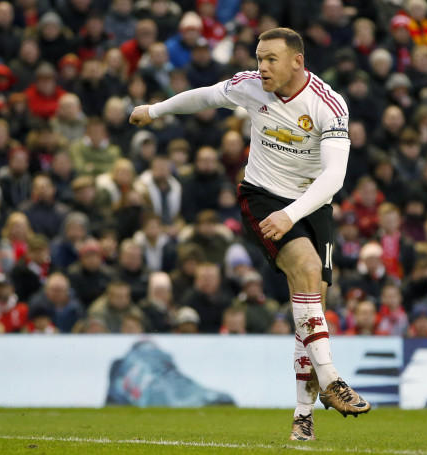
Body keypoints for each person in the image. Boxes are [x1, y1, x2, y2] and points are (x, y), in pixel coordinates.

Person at [130, 28, 371, 436]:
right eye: (259, 58)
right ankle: (332, 381)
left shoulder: (329, 104)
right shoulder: (250, 87)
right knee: (307, 271)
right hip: (262, 198)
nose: (262, 67)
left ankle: (302, 418)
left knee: (310, 304)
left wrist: (294, 215)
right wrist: (155, 110)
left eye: (271, 59)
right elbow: (205, 96)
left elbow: (334, 177)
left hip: (311, 205)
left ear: (297, 60)